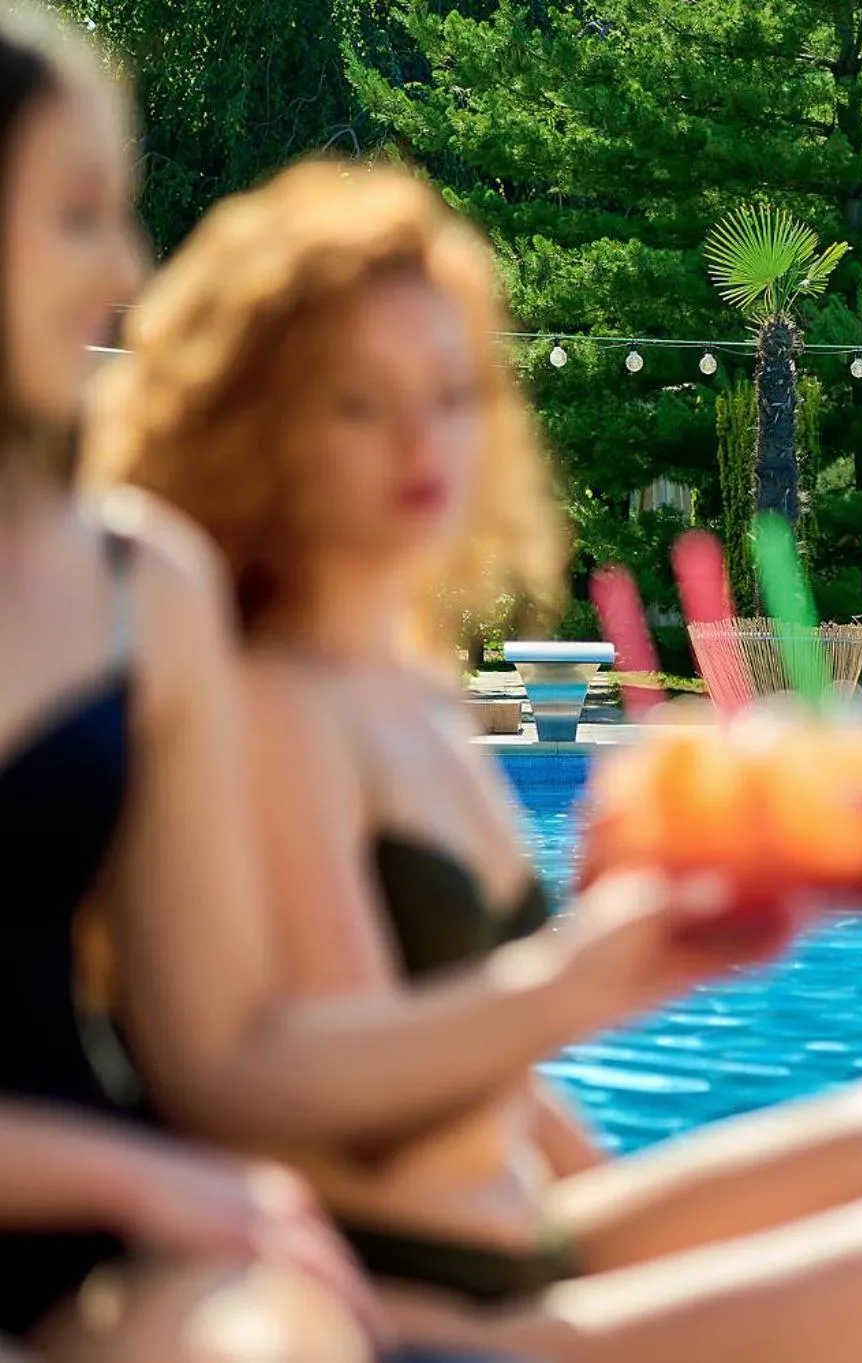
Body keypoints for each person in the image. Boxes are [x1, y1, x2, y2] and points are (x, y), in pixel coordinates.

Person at [88, 157, 862, 1363]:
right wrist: (583, 978)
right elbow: (313, 1100)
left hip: (528, 1238)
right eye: (360, 403)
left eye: (451, 393)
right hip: (424, 1295)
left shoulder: (404, 686)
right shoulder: (271, 702)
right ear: (255, 426)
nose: (422, 439)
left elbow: (495, 1087)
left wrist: (635, 1007)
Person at [0, 4, 381, 1358]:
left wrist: (595, 976)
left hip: (95, 1275)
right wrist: (126, 1173)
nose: (128, 267)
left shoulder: (144, 586)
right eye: (79, 215)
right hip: (115, 1191)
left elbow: (218, 1054)